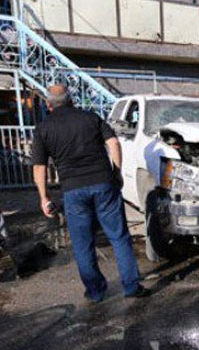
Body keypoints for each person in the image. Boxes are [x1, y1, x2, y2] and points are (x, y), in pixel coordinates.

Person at [31, 85, 150, 302]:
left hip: (73, 191)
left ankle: (96, 292)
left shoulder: (43, 128)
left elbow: (39, 167)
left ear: (49, 105)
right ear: (72, 100)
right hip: (103, 183)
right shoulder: (90, 117)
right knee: (119, 236)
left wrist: (44, 197)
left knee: (83, 243)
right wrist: (116, 172)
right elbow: (113, 142)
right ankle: (131, 286)